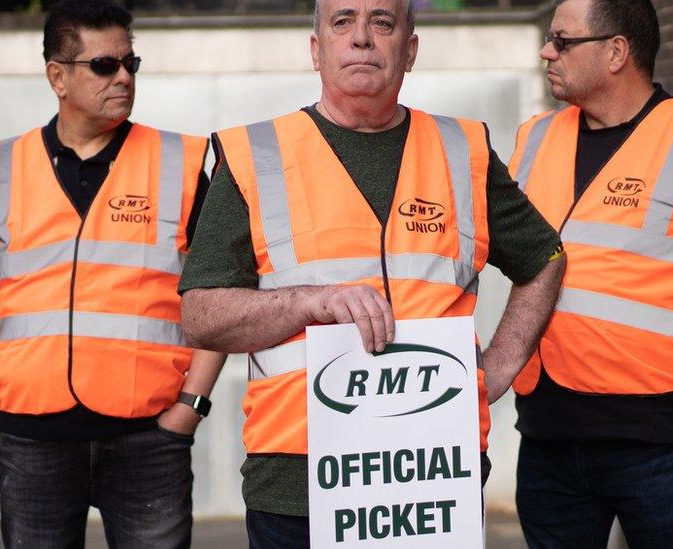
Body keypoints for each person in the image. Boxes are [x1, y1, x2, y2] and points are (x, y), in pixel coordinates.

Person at [178, 0, 565, 546]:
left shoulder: (464, 150)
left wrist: (493, 371)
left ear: (409, 50)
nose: (361, 37)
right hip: (298, 486)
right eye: (342, 22)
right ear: (317, 50)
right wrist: (308, 302)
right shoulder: (254, 155)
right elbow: (200, 316)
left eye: (381, 22)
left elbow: (544, 260)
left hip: (432, 480)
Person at [0, 1, 225, 546]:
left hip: (150, 441)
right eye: (103, 65)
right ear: (58, 76)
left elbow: (224, 295)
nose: (123, 76)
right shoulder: (0, 170)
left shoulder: (182, 165)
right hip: (32, 444)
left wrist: (190, 408)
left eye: (130, 63)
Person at [503, 0, 673, 547]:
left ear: (615, 52)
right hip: (548, 438)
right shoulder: (534, 138)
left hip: (655, 444)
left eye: (562, 41)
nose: (546, 51)